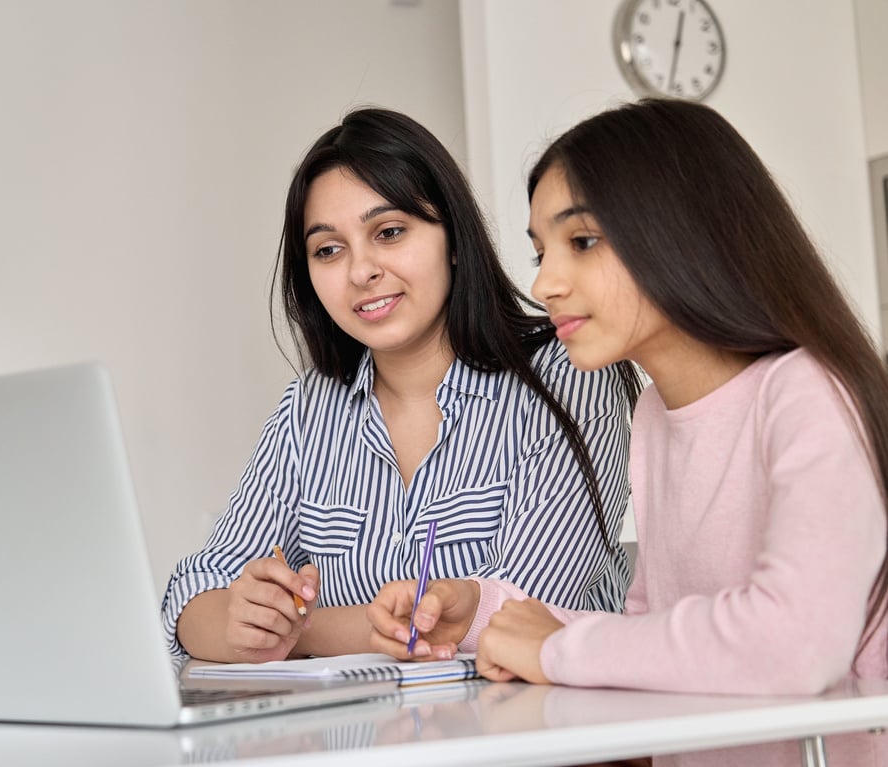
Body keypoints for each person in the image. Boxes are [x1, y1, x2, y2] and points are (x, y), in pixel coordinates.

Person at [367, 98, 888, 766]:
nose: (545, 282)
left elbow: (794, 642)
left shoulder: (807, 394)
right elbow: (649, 635)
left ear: (681, 231)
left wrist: (554, 648)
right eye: (540, 251)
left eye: (581, 241)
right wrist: (483, 614)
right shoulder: (654, 416)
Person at [160, 107, 642, 664]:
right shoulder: (309, 409)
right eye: (328, 249)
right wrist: (244, 619)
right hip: (361, 742)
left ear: (453, 239)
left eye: (389, 232)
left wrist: (301, 630)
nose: (360, 271)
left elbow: (523, 615)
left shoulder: (569, 375)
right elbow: (192, 597)